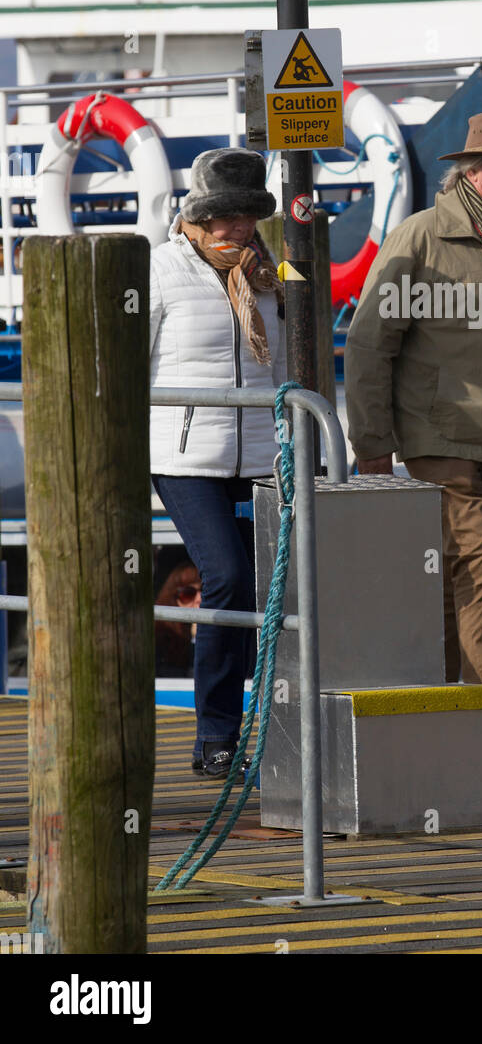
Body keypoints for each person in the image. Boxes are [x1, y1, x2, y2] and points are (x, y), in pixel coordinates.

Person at [344, 112, 482, 761]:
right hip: (437, 439)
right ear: (471, 171)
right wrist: (372, 444)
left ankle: (434, 713)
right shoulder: (421, 240)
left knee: (454, 580)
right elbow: (367, 345)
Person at [150, 148, 286, 777]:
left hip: (258, 452)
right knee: (227, 577)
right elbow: (125, 365)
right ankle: (215, 738)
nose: (238, 228)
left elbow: (285, 366)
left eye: (248, 215)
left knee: (272, 585)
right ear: (196, 221)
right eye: (224, 217)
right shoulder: (159, 272)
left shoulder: (270, 275)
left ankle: (278, 723)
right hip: (186, 457)